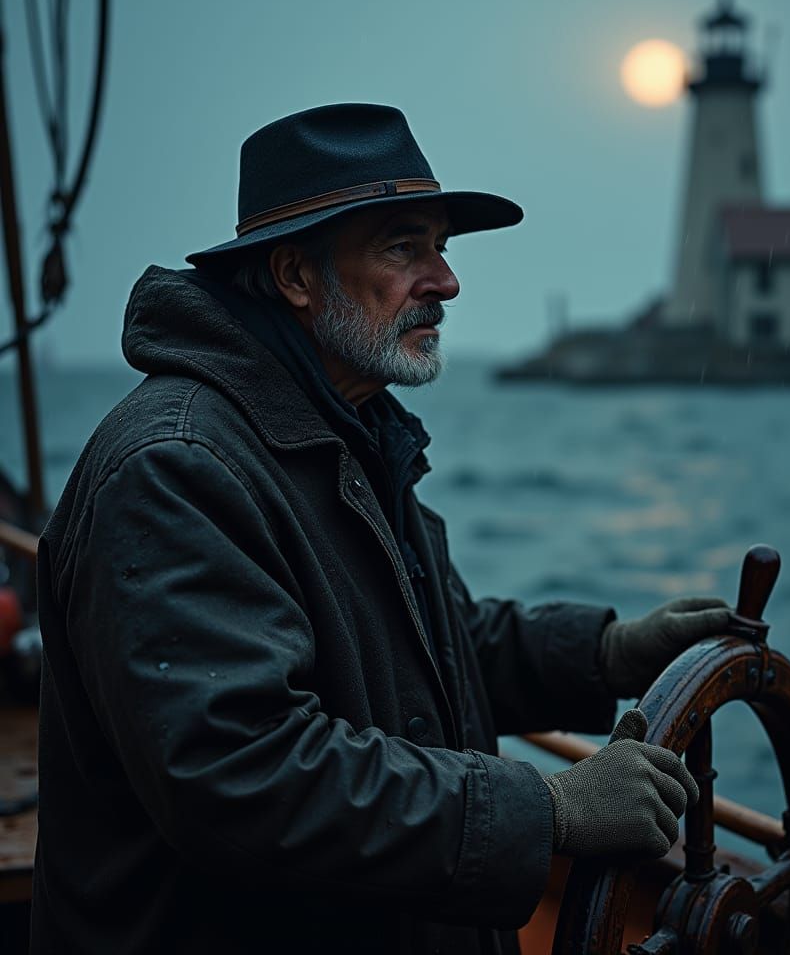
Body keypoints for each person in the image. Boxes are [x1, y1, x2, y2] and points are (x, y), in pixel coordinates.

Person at [31, 104, 732, 954]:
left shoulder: (349, 432)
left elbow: (425, 653)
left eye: (442, 246)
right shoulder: (174, 470)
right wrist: (546, 809)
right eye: (405, 248)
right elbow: (238, 775)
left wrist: (608, 653)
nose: (446, 280)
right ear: (295, 275)